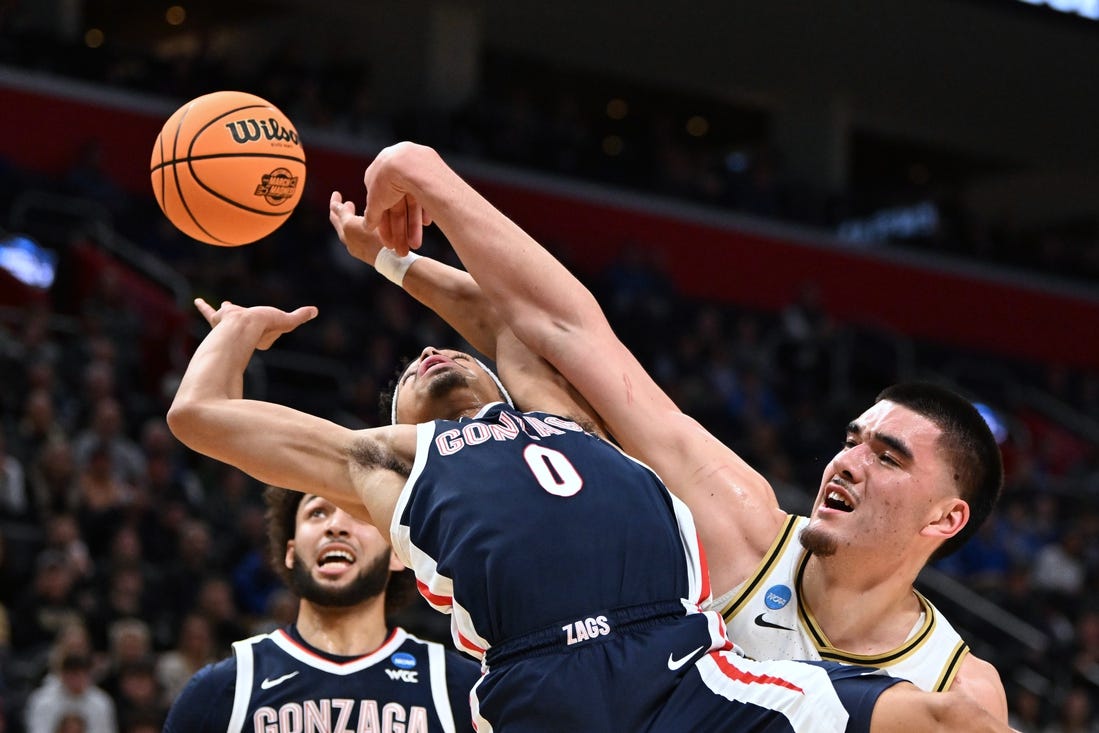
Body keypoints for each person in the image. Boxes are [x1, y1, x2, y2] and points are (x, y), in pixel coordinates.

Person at [341, 140, 1009, 719]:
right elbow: (565, 334)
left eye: (887, 456)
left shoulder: (957, 688)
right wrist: (419, 178)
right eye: (851, 439)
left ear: (944, 518)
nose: (847, 462)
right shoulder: (739, 528)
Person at [166, 296, 1012, 732]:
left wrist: (400, 263)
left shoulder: (567, 423)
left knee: (950, 717)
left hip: (683, 659)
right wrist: (236, 329)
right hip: (548, 685)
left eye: (451, 354)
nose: (428, 355)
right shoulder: (390, 463)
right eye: (408, 373)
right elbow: (199, 416)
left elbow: (526, 318)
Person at [162, 482, 479, 732]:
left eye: (360, 513)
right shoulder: (219, 691)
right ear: (291, 552)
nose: (336, 527)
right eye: (317, 512)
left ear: (397, 553)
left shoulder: (459, 688)